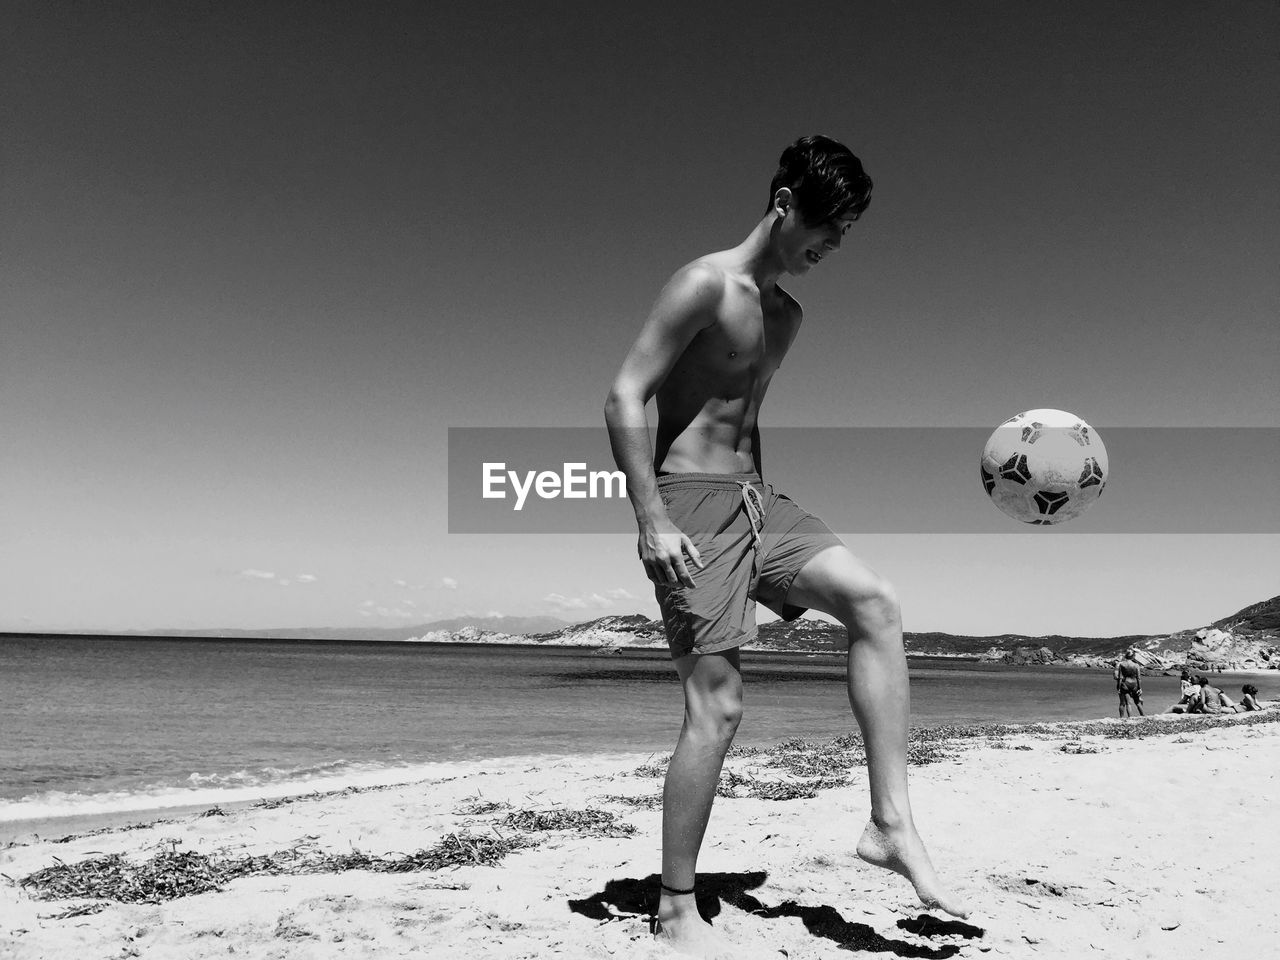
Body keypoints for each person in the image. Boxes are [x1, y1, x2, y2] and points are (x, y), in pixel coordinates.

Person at [604, 135, 968, 957]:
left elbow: (749, 421)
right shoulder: (704, 284)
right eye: (827, 229)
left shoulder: (787, 316)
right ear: (783, 204)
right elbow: (625, 394)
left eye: (844, 236)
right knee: (719, 707)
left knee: (875, 600)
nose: (833, 248)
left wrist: (770, 550)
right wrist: (650, 518)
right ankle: (673, 908)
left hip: (757, 503)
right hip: (688, 505)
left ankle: (889, 823)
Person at [1114, 648, 1145, 718]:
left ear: (1126, 656)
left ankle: (1128, 718)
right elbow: (1138, 678)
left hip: (1125, 683)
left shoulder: (1122, 664)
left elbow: (1120, 677)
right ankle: (1143, 716)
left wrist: (1118, 687)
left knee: (1128, 703)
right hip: (1134, 684)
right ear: (1133, 656)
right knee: (1137, 702)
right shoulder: (1136, 665)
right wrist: (1140, 688)